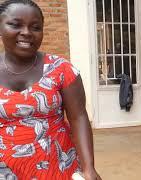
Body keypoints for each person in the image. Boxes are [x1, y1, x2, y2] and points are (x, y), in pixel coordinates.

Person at [0, 0, 101, 179]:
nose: (26, 33)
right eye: (15, 25)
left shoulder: (61, 69)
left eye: (35, 27)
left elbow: (78, 117)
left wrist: (88, 168)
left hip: (58, 166)